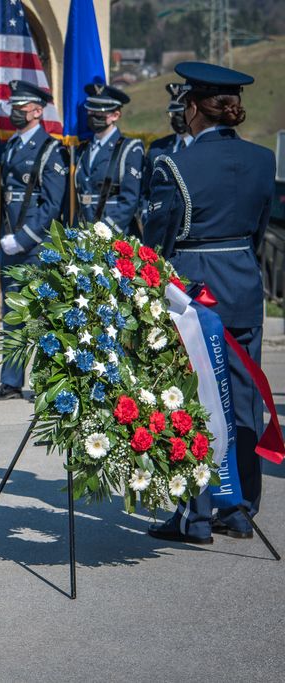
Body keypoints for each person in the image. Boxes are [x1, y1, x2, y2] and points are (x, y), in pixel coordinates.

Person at [145, 62, 275, 544]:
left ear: (193, 108)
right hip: (243, 283)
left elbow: (156, 241)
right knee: (244, 400)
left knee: (192, 400)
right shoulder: (263, 160)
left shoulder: (174, 164)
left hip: (194, 291)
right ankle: (239, 508)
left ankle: (195, 514)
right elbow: (260, 229)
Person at [0, 81, 68, 400]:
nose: (15, 112)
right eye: (14, 107)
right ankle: (11, 380)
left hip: (36, 246)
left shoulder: (50, 150)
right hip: (8, 242)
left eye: (21, 108)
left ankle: (45, 381)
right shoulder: (9, 146)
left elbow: (52, 204)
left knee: (42, 316)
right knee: (13, 315)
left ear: (37, 111)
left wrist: (23, 239)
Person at [72, 82, 144, 234]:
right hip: (83, 232)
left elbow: (129, 199)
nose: (93, 117)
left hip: (114, 233)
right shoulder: (82, 150)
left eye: (99, 113)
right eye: (91, 112)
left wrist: (103, 233)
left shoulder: (129, 149)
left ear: (115, 115)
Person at [140, 83, 192, 221]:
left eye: (180, 113)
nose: (176, 118)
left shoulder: (202, 146)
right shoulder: (157, 148)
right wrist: (146, 215)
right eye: (173, 114)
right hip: (160, 222)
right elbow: (146, 190)